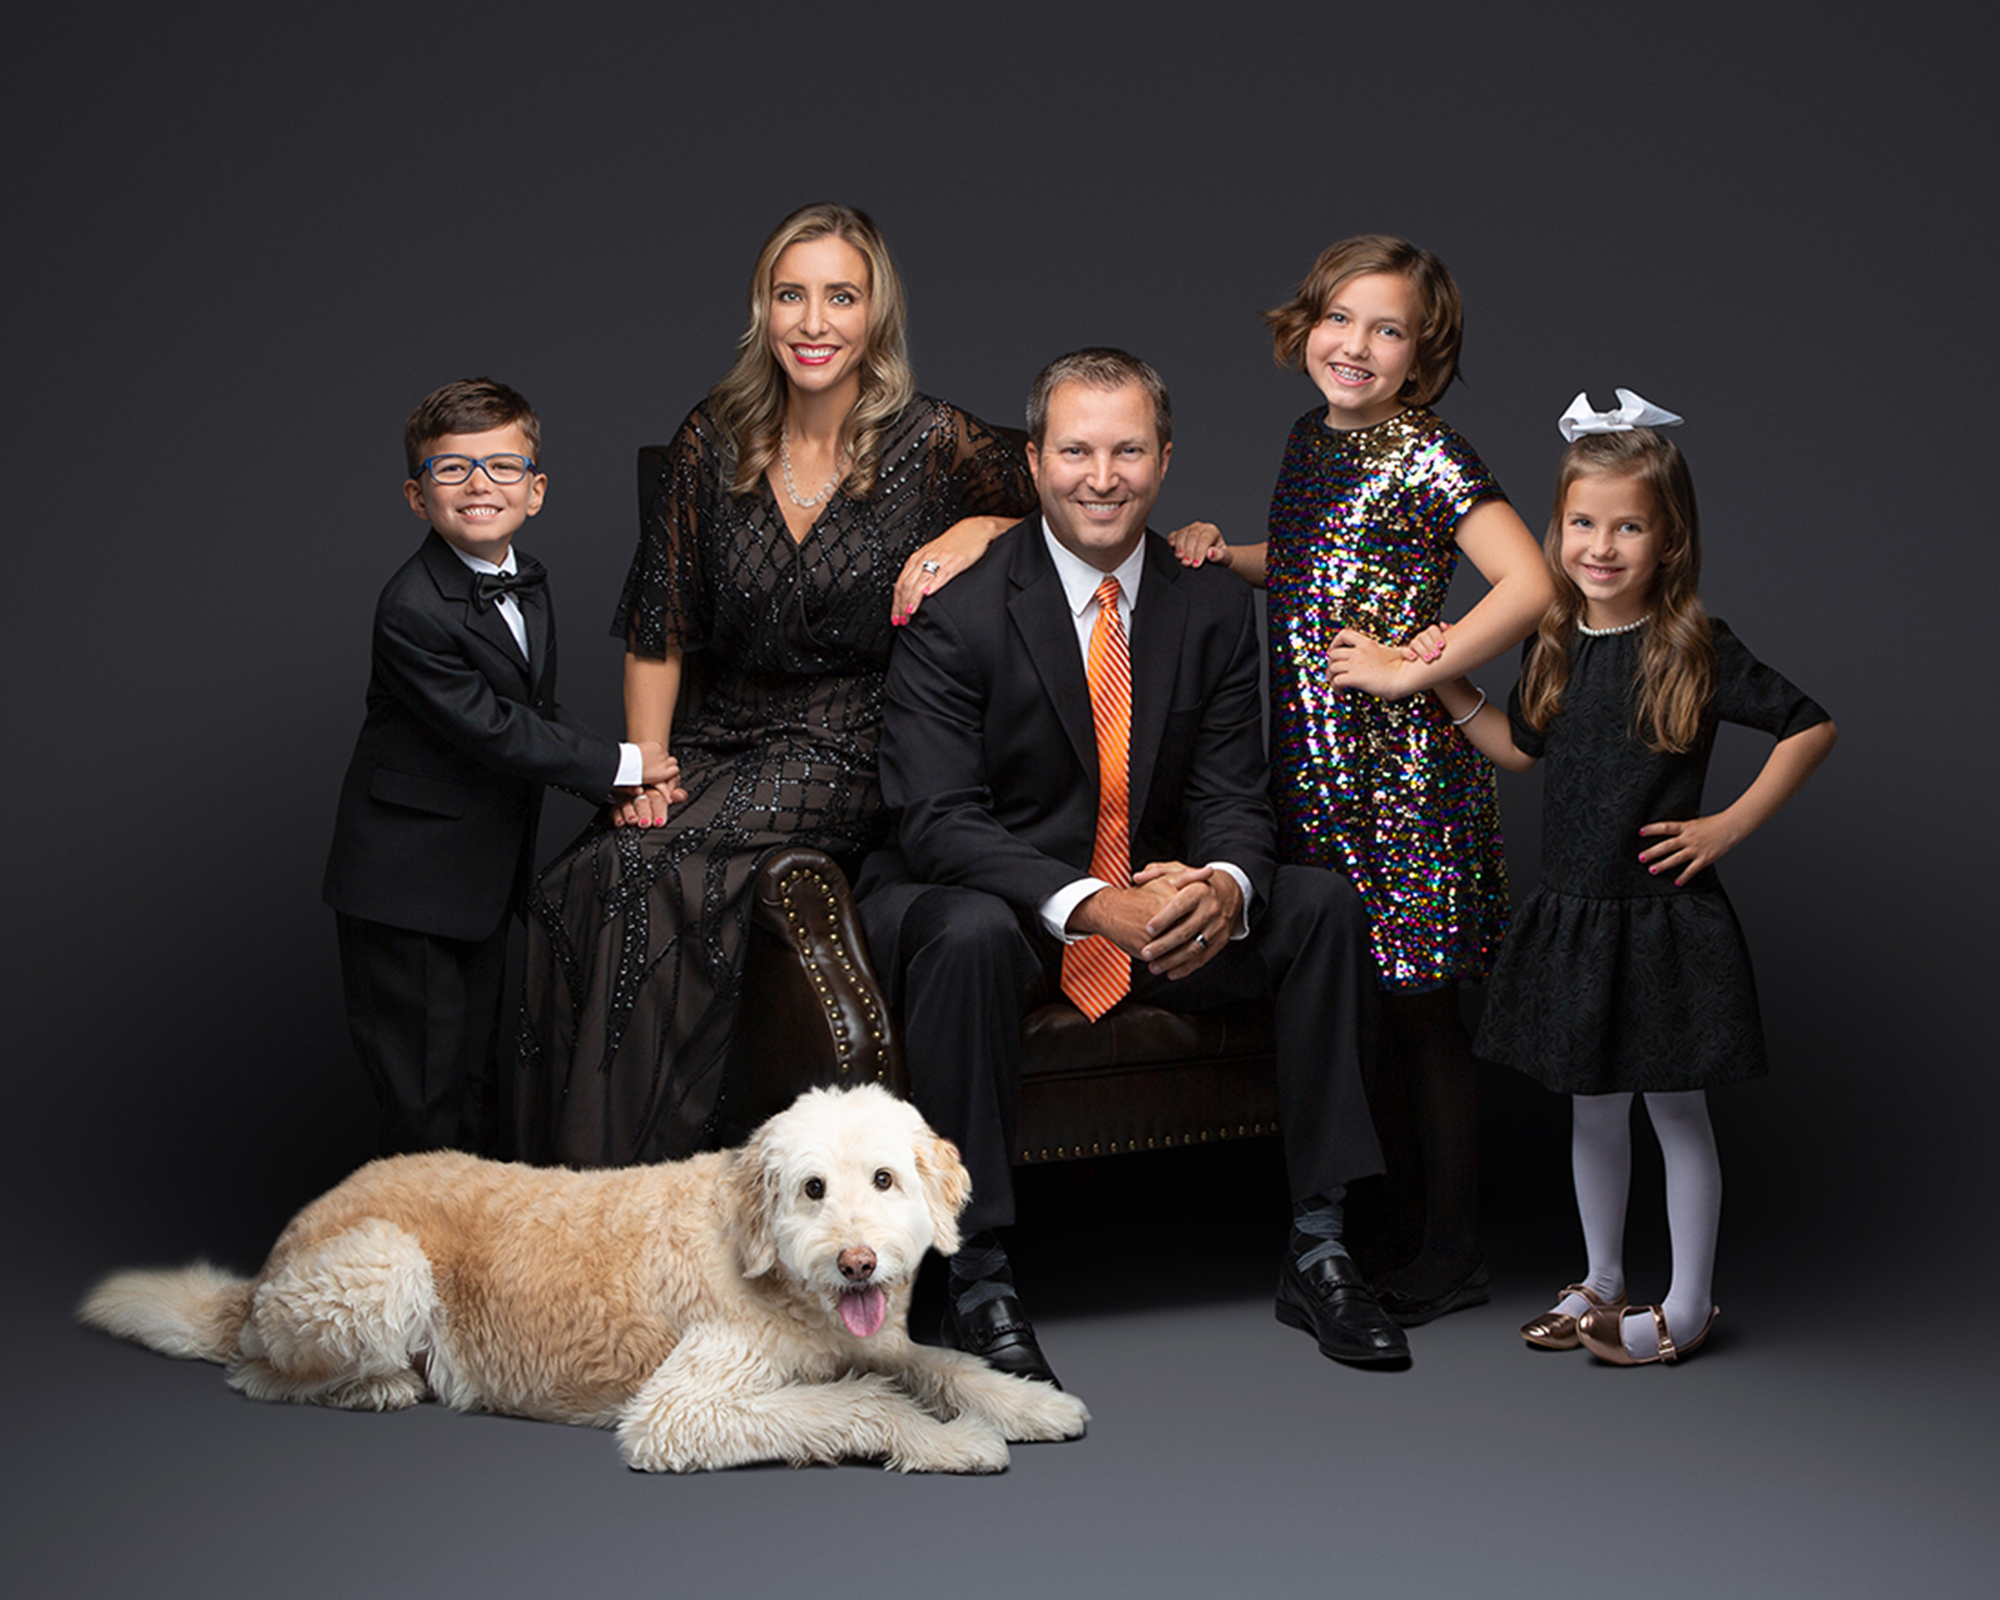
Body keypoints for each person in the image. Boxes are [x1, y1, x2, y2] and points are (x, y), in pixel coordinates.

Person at [860, 349, 1406, 1384]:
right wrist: (1084, 903)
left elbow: (1238, 796)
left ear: (1163, 461)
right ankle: (976, 1274)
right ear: (1033, 461)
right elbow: (933, 819)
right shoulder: (958, 604)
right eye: (1074, 450)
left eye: (1125, 450)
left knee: (1318, 903)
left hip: (1153, 900)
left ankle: (1321, 1243)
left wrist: (1222, 886)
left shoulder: (1206, 608)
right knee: (969, 930)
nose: (1099, 476)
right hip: (995, 904)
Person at [519, 204, 1035, 1169]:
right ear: (764, 308)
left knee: (656, 870)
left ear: (876, 313)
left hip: (857, 741)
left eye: (841, 296)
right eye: (791, 295)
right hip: (727, 732)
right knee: (577, 876)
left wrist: (978, 529)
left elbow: (1082, 496)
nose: (814, 321)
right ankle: (550, 1202)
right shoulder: (713, 438)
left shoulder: (934, 442)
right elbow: (658, 627)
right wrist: (645, 770)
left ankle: (641, 1195)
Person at [1169, 235, 1554, 1323]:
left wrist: (1410, 664)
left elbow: (1529, 582)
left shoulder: (1426, 450)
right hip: (1309, 763)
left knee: (1420, 1006)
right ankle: (1387, 1220)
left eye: (1386, 330)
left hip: (1401, 776)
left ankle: (1452, 1246)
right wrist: (1218, 552)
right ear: (1305, 324)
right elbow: (1305, 567)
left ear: (1419, 352)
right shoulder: (1308, 438)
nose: (1356, 345)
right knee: (1361, 1002)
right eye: (1340, 319)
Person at [1433, 392, 1835, 1364]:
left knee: (1676, 1110)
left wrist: (1726, 825)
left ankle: (1687, 1305)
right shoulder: (1554, 643)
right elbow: (1520, 748)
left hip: (1660, 918)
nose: (1599, 545)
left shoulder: (1692, 644)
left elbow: (1807, 723)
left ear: (1666, 539)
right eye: (1581, 522)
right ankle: (1600, 1278)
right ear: (1555, 528)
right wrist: (1442, 680)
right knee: (1591, 1103)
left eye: (1626, 525)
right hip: (1575, 913)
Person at [323, 379, 674, 1156]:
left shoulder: (527, 585)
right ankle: (415, 1272)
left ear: (536, 490)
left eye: (503, 466)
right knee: (425, 1097)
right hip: (407, 889)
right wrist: (628, 763)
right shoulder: (411, 606)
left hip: (476, 882)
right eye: (452, 470)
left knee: (477, 1083)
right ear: (418, 497)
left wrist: (616, 779)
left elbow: (537, 713)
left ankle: (469, 1267)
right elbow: (494, 730)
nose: (480, 485)